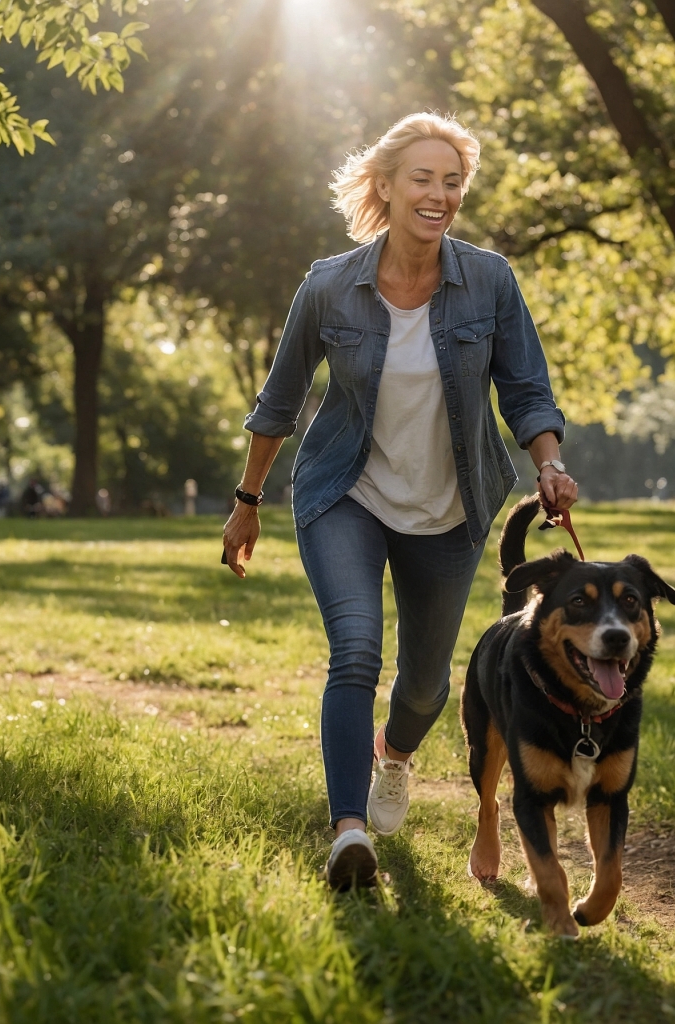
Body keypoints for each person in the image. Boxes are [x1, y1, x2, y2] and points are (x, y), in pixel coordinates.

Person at [221, 112, 578, 890]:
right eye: (423, 179)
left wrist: (549, 464)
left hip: (451, 506)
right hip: (346, 492)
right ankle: (349, 831)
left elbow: (526, 390)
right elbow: (278, 403)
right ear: (385, 187)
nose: (440, 195)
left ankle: (395, 755)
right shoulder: (328, 286)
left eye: (452, 182)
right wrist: (247, 500)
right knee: (353, 650)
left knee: (424, 685)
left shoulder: (488, 280)